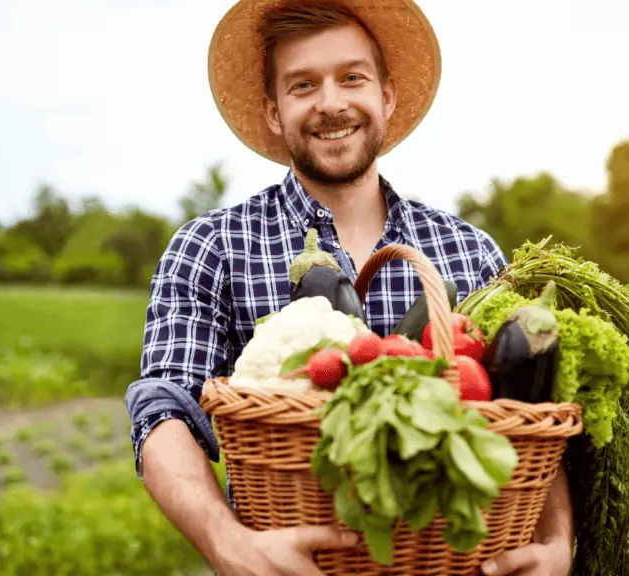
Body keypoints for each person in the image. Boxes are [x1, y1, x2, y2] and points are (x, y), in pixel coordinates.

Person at [125, 1, 574, 574]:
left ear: (386, 95)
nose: (331, 102)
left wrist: (557, 539)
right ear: (273, 110)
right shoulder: (211, 246)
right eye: (303, 84)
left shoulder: (471, 252)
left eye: (352, 77)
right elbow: (163, 411)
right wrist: (227, 542)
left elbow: (534, 412)